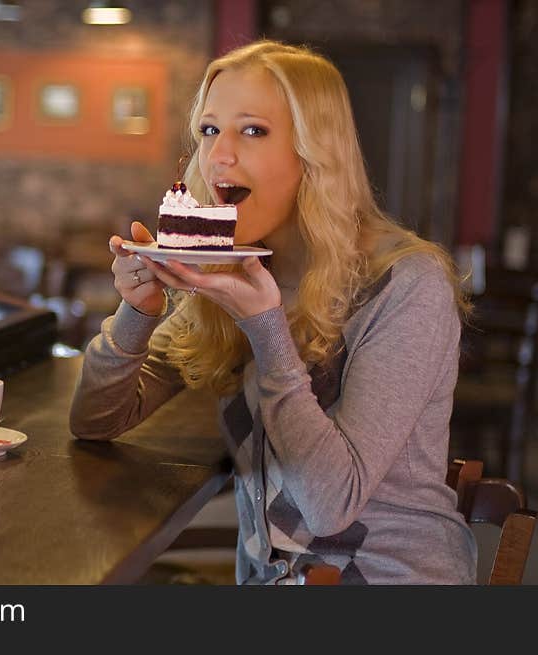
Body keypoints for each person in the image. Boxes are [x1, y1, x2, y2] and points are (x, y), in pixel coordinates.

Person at [69, 40, 477, 585]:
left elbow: (331, 505)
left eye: (253, 131)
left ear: (315, 151)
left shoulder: (407, 284)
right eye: (209, 131)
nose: (218, 156)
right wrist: (138, 311)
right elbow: (96, 421)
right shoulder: (233, 270)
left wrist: (266, 329)